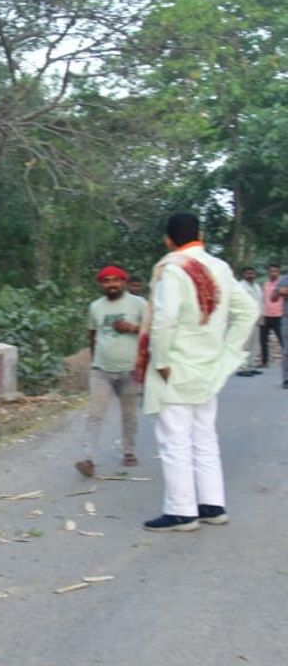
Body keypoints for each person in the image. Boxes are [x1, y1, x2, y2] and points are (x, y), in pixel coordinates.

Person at [137, 213, 258, 532]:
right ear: (201, 235)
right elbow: (249, 311)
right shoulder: (219, 268)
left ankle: (182, 512)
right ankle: (212, 506)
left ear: (168, 240)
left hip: (175, 369)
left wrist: (161, 362)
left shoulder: (172, 269)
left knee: (175, 440)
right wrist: (226, 350)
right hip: (207, 369)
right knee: (204, 437)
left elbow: (164, 321)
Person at [75, 265, 147, 478]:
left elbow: (153, 331)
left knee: (129, 414)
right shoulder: (95, 306)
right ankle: (88, 459)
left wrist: (132, 328)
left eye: (116, 280)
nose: (111, 285)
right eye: (106, 281)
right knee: (95, 415)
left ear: (124, 282)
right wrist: (95, 359)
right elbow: (92, 335)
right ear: (100, 284)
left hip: (130, 371)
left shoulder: (139, 304)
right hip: (101, 371)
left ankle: (129, 451)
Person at [235, 265, 263, 377]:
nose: (250, 275)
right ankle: (242, 368)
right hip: (244, 319)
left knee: (253, 344)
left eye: (252, 273)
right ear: (243, 275)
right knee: (244, 345)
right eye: (248, 273)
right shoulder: (240, 287)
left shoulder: (257, 286)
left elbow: (260, 302)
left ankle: (251, 366)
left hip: (256, 319)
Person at [259, 263, 283, 367]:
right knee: (263, 340)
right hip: (265, 316)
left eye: (275, 271)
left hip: (279, 316)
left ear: (278, 273)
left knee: (283, 340)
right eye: (271, 271)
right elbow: (263, 299)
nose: (273, 273)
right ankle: (264, 362)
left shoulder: (282, 284)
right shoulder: (265, 284)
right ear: (268, 272)